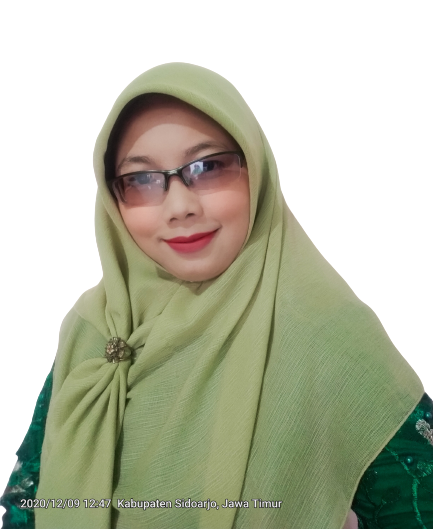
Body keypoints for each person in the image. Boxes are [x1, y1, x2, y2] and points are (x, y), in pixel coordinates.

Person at [1, 63, 431, 529]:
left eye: (208, 167)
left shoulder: (329, 335)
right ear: (113, 200)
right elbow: (28, 503)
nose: (179, 206)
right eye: (140, 179)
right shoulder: (97, 326)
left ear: (256, 170)